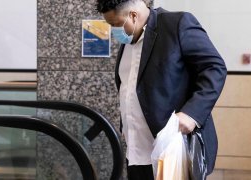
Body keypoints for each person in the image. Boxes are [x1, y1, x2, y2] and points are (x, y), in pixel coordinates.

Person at [96, 0, 227, 179]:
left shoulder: (177, 24)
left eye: (116, 25)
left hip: (172, 150)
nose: (114, 31)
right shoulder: (128, 39)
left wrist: (192, 114)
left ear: (133, 16)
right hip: (136, 153)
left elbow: (214, 67)